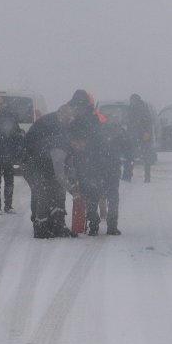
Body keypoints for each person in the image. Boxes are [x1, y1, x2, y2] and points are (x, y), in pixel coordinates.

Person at [22, 103, 78, 238]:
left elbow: (69, 167)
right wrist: (72, 190)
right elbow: (60, 173)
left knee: (58, 191)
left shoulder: (67, 140)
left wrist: (73, 181)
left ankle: (58, 225)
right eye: (67, 117)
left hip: (45, 163)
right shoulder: (58, 142)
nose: (68, 121)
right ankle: (41, 227)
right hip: (31, 164)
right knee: (42, 192)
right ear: (61, 114)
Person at [67, 89, 105, 235]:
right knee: (88, 191)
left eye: (77, 106)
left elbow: (97, 140)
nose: (75, 109)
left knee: (88, 190)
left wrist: (81, 145)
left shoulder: (88, 120)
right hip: (87, 161)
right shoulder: (90, 119)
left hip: (89, 161)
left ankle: (89, 221)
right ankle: (88, 221)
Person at [98, 115, 133, 235]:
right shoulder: (120, 133)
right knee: (113, 198)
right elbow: (128, 149)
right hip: (113, 168)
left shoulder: (98, 131)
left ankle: (92, 225)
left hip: (98, 168)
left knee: (95, 194)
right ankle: (112, 226)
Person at [0, 95, 20, 214]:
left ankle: (8, 205)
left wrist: (15, 149)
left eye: (0, 103)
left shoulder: (10, 116)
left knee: (9, 181)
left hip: (8, 154)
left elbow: (16, 133)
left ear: (4, 104)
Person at [123, 93, 154, 183]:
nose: (131, 102)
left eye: (132, 100)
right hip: (138, 135)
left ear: (135, 100)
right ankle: (143, 177)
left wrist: (146, 132)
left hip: (140, 135)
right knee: (140, 157)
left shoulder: (141, 108)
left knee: (132, 156)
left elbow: (147, 121)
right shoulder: (140, 108)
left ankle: (129, 176)